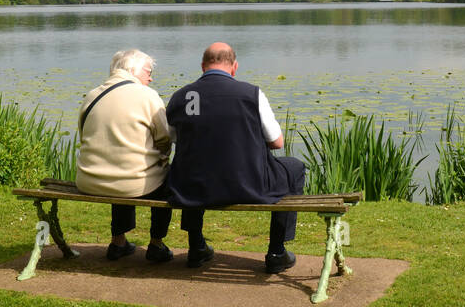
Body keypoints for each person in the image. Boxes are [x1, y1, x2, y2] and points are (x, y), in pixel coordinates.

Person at [165, 42, 305, 273]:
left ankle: (196, 246)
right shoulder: (251, 94)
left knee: (195, 164)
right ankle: (277, 251)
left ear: (202, 66)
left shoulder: (181, 96)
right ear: (234, 66)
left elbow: (171, 138)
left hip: (191, 185)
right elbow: (277, 142)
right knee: (295, 167)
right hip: (247, 184)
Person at [75, 49, 175, 263]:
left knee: (121, 165)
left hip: (89, 181)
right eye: (148, 71)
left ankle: (118, 241)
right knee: (166, 177)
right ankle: (156, 244)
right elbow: (165, 138)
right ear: (133, 71)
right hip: (132, 184)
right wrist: (162, 159)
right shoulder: (148, 96)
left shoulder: (92, 95)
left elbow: (83, 136)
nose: (151, 77)